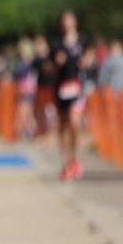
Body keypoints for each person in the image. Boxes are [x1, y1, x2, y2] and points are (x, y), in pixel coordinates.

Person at [52, 11, 85, 181]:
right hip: (62, 89)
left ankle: (75, 159)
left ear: (75, 22)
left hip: (77, 88)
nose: (67, 25)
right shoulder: (57, 43)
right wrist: (58, 62)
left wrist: (87, 61)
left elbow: (89, 59)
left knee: (75, 123)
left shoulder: (82, 41)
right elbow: (54, 65)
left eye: (69, 21)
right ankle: (65, 164)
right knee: (64, 126)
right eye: (64, 22)